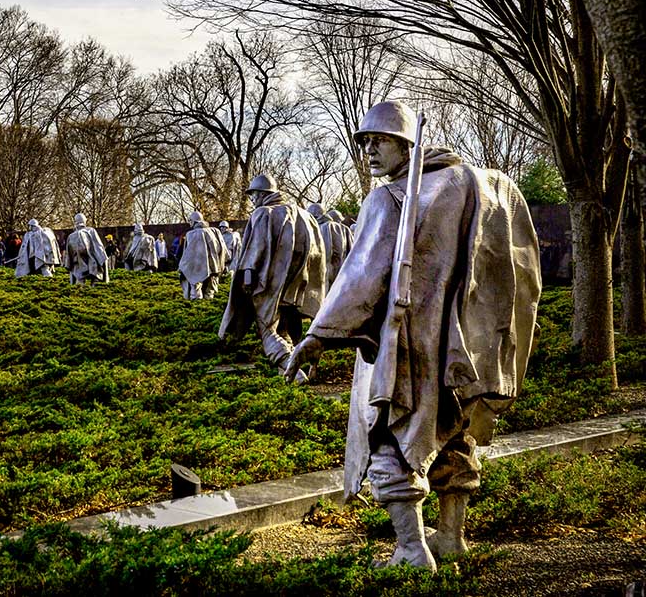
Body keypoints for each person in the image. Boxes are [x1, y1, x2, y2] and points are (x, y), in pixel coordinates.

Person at [286, 101, 541, 571]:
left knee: (389, 436)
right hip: (463, 352)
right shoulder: (477, 187)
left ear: (406, 143)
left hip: (405, 348)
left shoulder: (391, 198)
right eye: (365, 143)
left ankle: (410, 549)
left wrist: (319, 335)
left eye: (379, 141)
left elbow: (362, 277)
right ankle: (449, 537)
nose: (369, 152)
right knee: (453, 436)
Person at [219, 174, 326, 375]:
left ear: (262, 194)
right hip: (297, 286)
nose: (253, 200)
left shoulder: (262, 214)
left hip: (269, 283)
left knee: (266, 328)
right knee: (283, 328)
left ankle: (289, 365)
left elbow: (254, 251)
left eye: (254, 195)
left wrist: (248, 282)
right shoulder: (304, 215)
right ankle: (296, 370)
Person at [177, 211, 227, 300]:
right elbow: (222, 248)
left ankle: (197, 305)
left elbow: (187, 254)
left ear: (194, 221)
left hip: (196, 267)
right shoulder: (214, 231)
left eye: (190, 221)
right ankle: (207, 305)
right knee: (209, 291)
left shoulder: (191, 234)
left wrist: (182, 266)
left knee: (195, 288)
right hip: (213, 266)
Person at [64, 213, 110, 284]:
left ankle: (78, 288)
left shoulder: (70, 236)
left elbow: (69, 258)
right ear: (84, 221)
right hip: (91, 263)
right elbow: (99, 249)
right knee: (96, 278)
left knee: (79, 281)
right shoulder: (91, 231)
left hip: (78, 265)